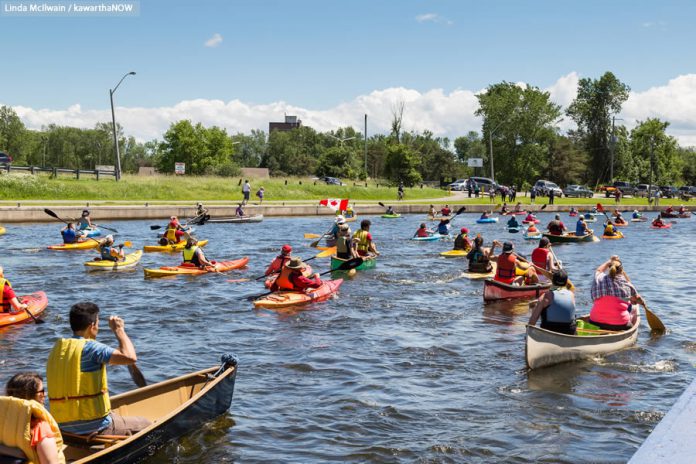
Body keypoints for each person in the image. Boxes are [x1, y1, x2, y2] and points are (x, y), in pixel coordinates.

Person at [46, 302, 150, 435]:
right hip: (96, 427)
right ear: (92, 326)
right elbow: (130, 357)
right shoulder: (92, 348)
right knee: (146, 423)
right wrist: (119, 330)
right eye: (98, 323)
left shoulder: (58, 349)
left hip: (63, 426)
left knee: (114, 414)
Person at [1, 373, 64, 464]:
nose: (45, 395)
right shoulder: (40, 427)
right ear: (30, 395)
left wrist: (13, 452)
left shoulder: (2, 421)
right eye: (42, 391)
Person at [589, 256, 643, 330]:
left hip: (595, 322)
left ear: (609, 268)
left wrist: (610, 261)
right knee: (631, 306)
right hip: (620, 324)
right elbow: (637, 299)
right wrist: (642, 303)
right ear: (621, 270)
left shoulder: (598, 278)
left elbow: (599, 270)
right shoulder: (627, 284)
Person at [528, 269, 576, 335]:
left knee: (535, 308)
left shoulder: (546, 296)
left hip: (550, 330)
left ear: (553, 281)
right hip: (569, 331)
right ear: (566, 282)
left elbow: (533, 319)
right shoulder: (572, 295)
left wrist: (528, 334)